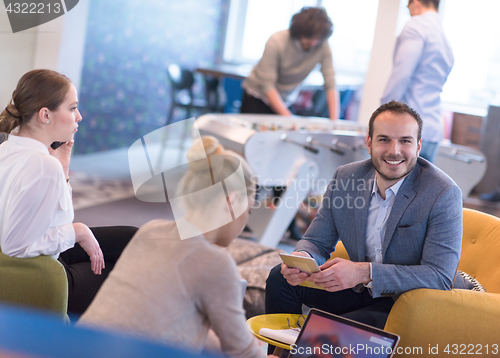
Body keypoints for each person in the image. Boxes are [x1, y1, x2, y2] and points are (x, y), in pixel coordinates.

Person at [265, 101, 463, 331]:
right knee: (280, 279)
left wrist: (363, 272)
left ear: (418, 146)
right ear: (369, 142)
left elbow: (439, 276)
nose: (394, 150)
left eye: (405, 141)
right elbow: (317, 241)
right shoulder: (346, 178)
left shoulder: (443, 192)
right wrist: (302, 258)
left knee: (335, 331)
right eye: (384, 139)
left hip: (406, 301)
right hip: (358, 289)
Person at [78, 136, 273, 358]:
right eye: (248, 210)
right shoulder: (215, 263)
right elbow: (242, 352)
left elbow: (174, 320)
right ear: (231, 201)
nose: (245, 220)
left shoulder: (151, 231)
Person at [0, 69, 137, 315]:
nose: (79, 116)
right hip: (42, 275)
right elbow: (15, 245)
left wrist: (62, 166)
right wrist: (78, 232)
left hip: (42, 254)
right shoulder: (42, 165)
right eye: (72, 108)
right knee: (132, 269)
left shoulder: (10, 148)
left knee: (133, 239)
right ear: (45, 115)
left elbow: (56, 219)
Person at [381, 0, 453, 163]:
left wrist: (381, 114)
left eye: (408, 7)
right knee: (420, 188)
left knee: (392, 188)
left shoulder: (416, 27)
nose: (409, 12)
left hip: (408, 132)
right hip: (432, 131)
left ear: (416, 3)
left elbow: (401, 75)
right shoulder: (443, 37)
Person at [241, 7, 337, 120]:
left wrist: (334, 122)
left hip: (285, 101)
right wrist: (290, 119)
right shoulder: (277, 41)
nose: (313, 42)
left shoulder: (322, 46)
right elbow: (267, 85)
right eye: (309, 37)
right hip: (258, 98)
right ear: (300, 31)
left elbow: (330, 84)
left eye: (317, 38)